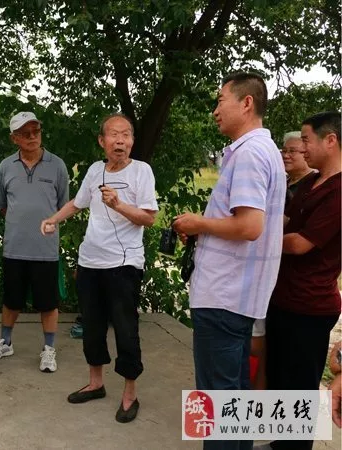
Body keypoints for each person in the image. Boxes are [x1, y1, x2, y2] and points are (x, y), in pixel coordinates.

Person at [173, 73, 286, 450]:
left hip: (223, 295)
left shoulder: (250, 153)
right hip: (239, 296)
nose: (215, 110)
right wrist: (204, 230)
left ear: (246, 103)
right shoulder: (263, 150)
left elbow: (249, 226)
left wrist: (197, 223)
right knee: (234, 396)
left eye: (221, 100)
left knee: (216, 404)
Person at [41, 113, 158, 423]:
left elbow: (149, 218)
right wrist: (53, 219)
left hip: (124, 264)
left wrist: (118, 204)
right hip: (90, 262)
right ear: (102, 141)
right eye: (114, 135)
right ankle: (96, 383)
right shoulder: (95, 171)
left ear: (132, 140)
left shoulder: (141, 171)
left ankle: (130, 394)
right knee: (92, 327)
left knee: (126, 330)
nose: (120, 141)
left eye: (126, 135)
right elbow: (77, 203)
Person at [265, 111, 341, 450]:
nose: (301, 147)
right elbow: (283, 223)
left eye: (307, 140)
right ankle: (279, 444)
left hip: (309, 307)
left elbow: (300, 243)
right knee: (280, 381)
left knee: (300, 389)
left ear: (331, 140)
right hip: (284, 298)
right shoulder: (310, 183)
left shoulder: (338, 192)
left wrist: (256, 239)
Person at [0, 112, 69, 372]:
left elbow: (63, 207)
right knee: (11, 300)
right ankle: (5, 342)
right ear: (14, 138)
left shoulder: (57, 165)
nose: (32, 137)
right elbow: (3, 206)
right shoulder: (5, 167)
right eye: (25, 133)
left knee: (48, 303)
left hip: (46, 249)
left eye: (36, 131)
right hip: (14, 248)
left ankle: (49, 349)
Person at [250, 130, 315, 390]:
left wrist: (259, 233)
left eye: (293, 151)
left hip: (295, 283)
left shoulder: (312, 187)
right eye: (283, 150)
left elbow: (299, 240)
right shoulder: (284, 182)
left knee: (272, 349)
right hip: (270, 273)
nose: (286, 155)